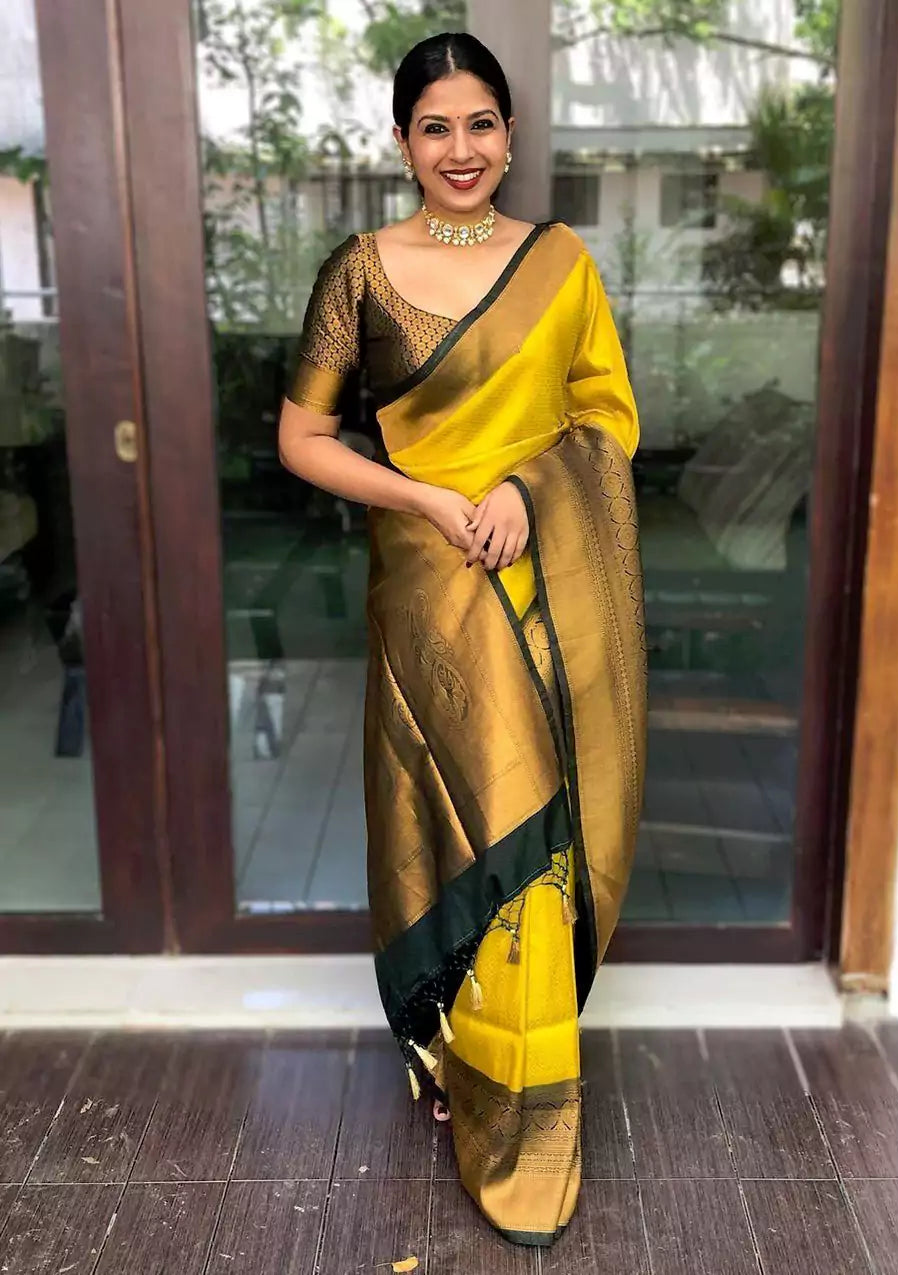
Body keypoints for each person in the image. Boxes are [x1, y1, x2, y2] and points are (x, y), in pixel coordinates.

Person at [278, 30, 647, 1248]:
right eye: (434, 127)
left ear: (508, 134)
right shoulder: (361, 273)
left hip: (542, 584)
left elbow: (603, 416)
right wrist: (432, 497)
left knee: (530, 828)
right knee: (450, 816)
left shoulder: (558, 266)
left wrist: (526, 494)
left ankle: (528, 1103)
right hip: (425, 592)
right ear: (402, 142)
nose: (460, 150)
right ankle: (453, 1053)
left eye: (480, 123)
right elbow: (306, 440)